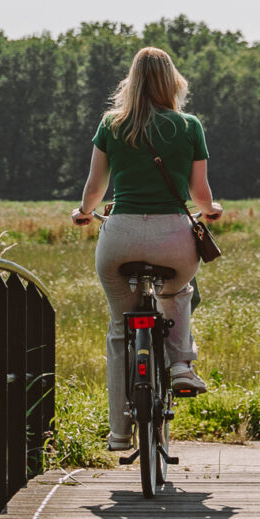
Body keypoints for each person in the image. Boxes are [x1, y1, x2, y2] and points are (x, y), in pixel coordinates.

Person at [72, 46, 221, 447]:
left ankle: (120, 432)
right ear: (173, 82)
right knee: (179, 291)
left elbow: (95, 187)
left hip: (119, 237)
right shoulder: (189, 126)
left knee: (120, 330)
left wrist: (83, 212)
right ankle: (182, 366)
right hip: (173, 238)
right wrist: (211, 210)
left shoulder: (112, 124)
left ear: (131, 82)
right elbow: (200, 194)